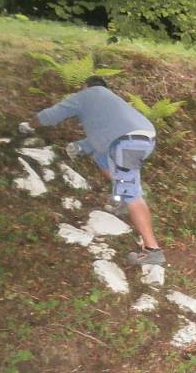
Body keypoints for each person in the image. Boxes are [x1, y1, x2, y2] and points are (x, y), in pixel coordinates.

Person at [21, 76, 164, 265]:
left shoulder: (85, 95)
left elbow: (50, 116)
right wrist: (81, 146)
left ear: (85, 86)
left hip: (128, 144)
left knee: (133, 194)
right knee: (101, 157)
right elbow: (108, 136)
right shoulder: (110, 100)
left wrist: (28, 126)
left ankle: (153, 251)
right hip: (143, 138)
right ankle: (121, 201)